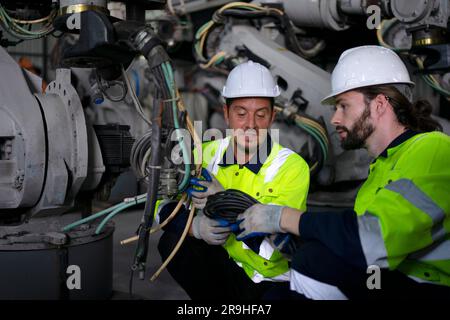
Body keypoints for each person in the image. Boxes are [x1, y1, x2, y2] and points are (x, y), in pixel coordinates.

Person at [237, 46, 450, 299]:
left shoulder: (433, 148)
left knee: (314, 262)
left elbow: (372, 242)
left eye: (343, 106)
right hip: (392, 280)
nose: (335, 118)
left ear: (380, 104)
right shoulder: (381, 167)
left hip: (430, 287)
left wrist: (285, 218)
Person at [157, 60, 310, 299]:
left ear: (272, 117)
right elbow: (161, 209)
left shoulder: (291, 167)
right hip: (222, 264)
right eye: (241, 114)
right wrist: (195, 228)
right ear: (226, 114)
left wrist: (223, 200)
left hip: (267, 278)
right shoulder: (203, 154)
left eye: (261, 115)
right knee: (172, 243)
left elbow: (277, 248)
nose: (251, 124)